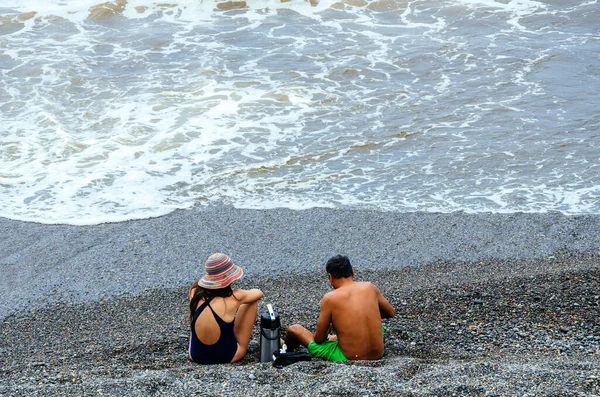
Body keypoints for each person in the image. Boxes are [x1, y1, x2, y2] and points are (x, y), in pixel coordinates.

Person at [284, 255, 395, 362]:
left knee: (295, 329)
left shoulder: (330, 298)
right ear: (352, 272)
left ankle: (285, 349)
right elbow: (390, 312)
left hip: (349, 358)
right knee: (374, 326)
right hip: (377, 354)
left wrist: (331, 325)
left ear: (330, 277)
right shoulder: (370, 287)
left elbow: (319, 339)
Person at [188, 253, 263, 364]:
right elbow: (258, 293)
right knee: (250, 302)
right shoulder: (235, 297)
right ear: (230, 278)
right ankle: (235, 340)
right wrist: (240, 295)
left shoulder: (194, 292)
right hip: (227, 357)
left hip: (196, 355)